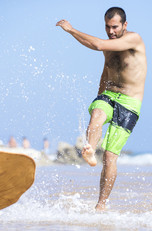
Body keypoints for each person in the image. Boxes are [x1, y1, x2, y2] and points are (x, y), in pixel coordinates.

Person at [56, 7, 147, 211]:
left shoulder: (134, 39)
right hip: (109, 94)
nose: (111, 31)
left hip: (129, 103)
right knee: (97, 113)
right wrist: (99, 96)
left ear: (125, 25)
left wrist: (71, 30)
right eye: (107, 27)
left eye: (115, 27)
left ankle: (101, 204)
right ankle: (89, 149)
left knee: (109, 157)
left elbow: (97, 45)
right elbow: (106, 73)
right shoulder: (108, 45)